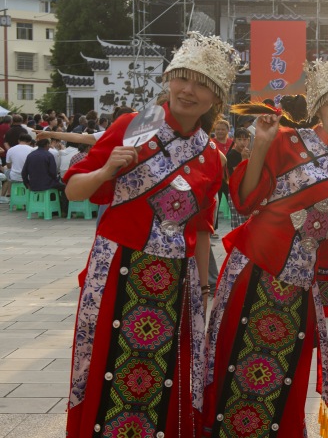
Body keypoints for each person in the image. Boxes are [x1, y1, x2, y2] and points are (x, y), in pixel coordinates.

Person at [63, 32, 237, 437]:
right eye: (182, 78)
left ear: (216, 98)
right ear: (169, 79)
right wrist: (107, 170)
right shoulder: (132, 126)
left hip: (177, 282)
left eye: (202, 84)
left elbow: (201, 230)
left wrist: (204, 290)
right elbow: (74, 190)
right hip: (119, 270)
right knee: (110, 367)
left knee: (164, 378)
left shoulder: (212, 156)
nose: (188, 90)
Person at [203, 57, 328, 437]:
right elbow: (245, 202)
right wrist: (261, 147)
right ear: (318, 108)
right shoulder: (287, 140)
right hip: (254, 270)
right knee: (237, 368)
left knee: (284, 381)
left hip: (300, 286)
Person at [21, 137, 68, 213]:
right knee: (64, 187)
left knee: (53, 186)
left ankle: (52, 209)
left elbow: (24, 172)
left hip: (33, 184)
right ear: (46, 145)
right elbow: (53, 172)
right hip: (47, 184)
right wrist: (56, 180)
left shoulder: (30, 155)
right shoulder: (49, 155)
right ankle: (64, 210)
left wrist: (27, 184)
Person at [224, 127, 251, 229]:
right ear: (234, 140)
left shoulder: (248, 152)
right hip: (235, 191)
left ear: (249, 140)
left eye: (245, 139)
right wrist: (244, 158)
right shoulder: (232, 154)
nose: (242, 142)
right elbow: (238, 174)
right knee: (239, 223)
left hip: (245, 190)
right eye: (239, 139)